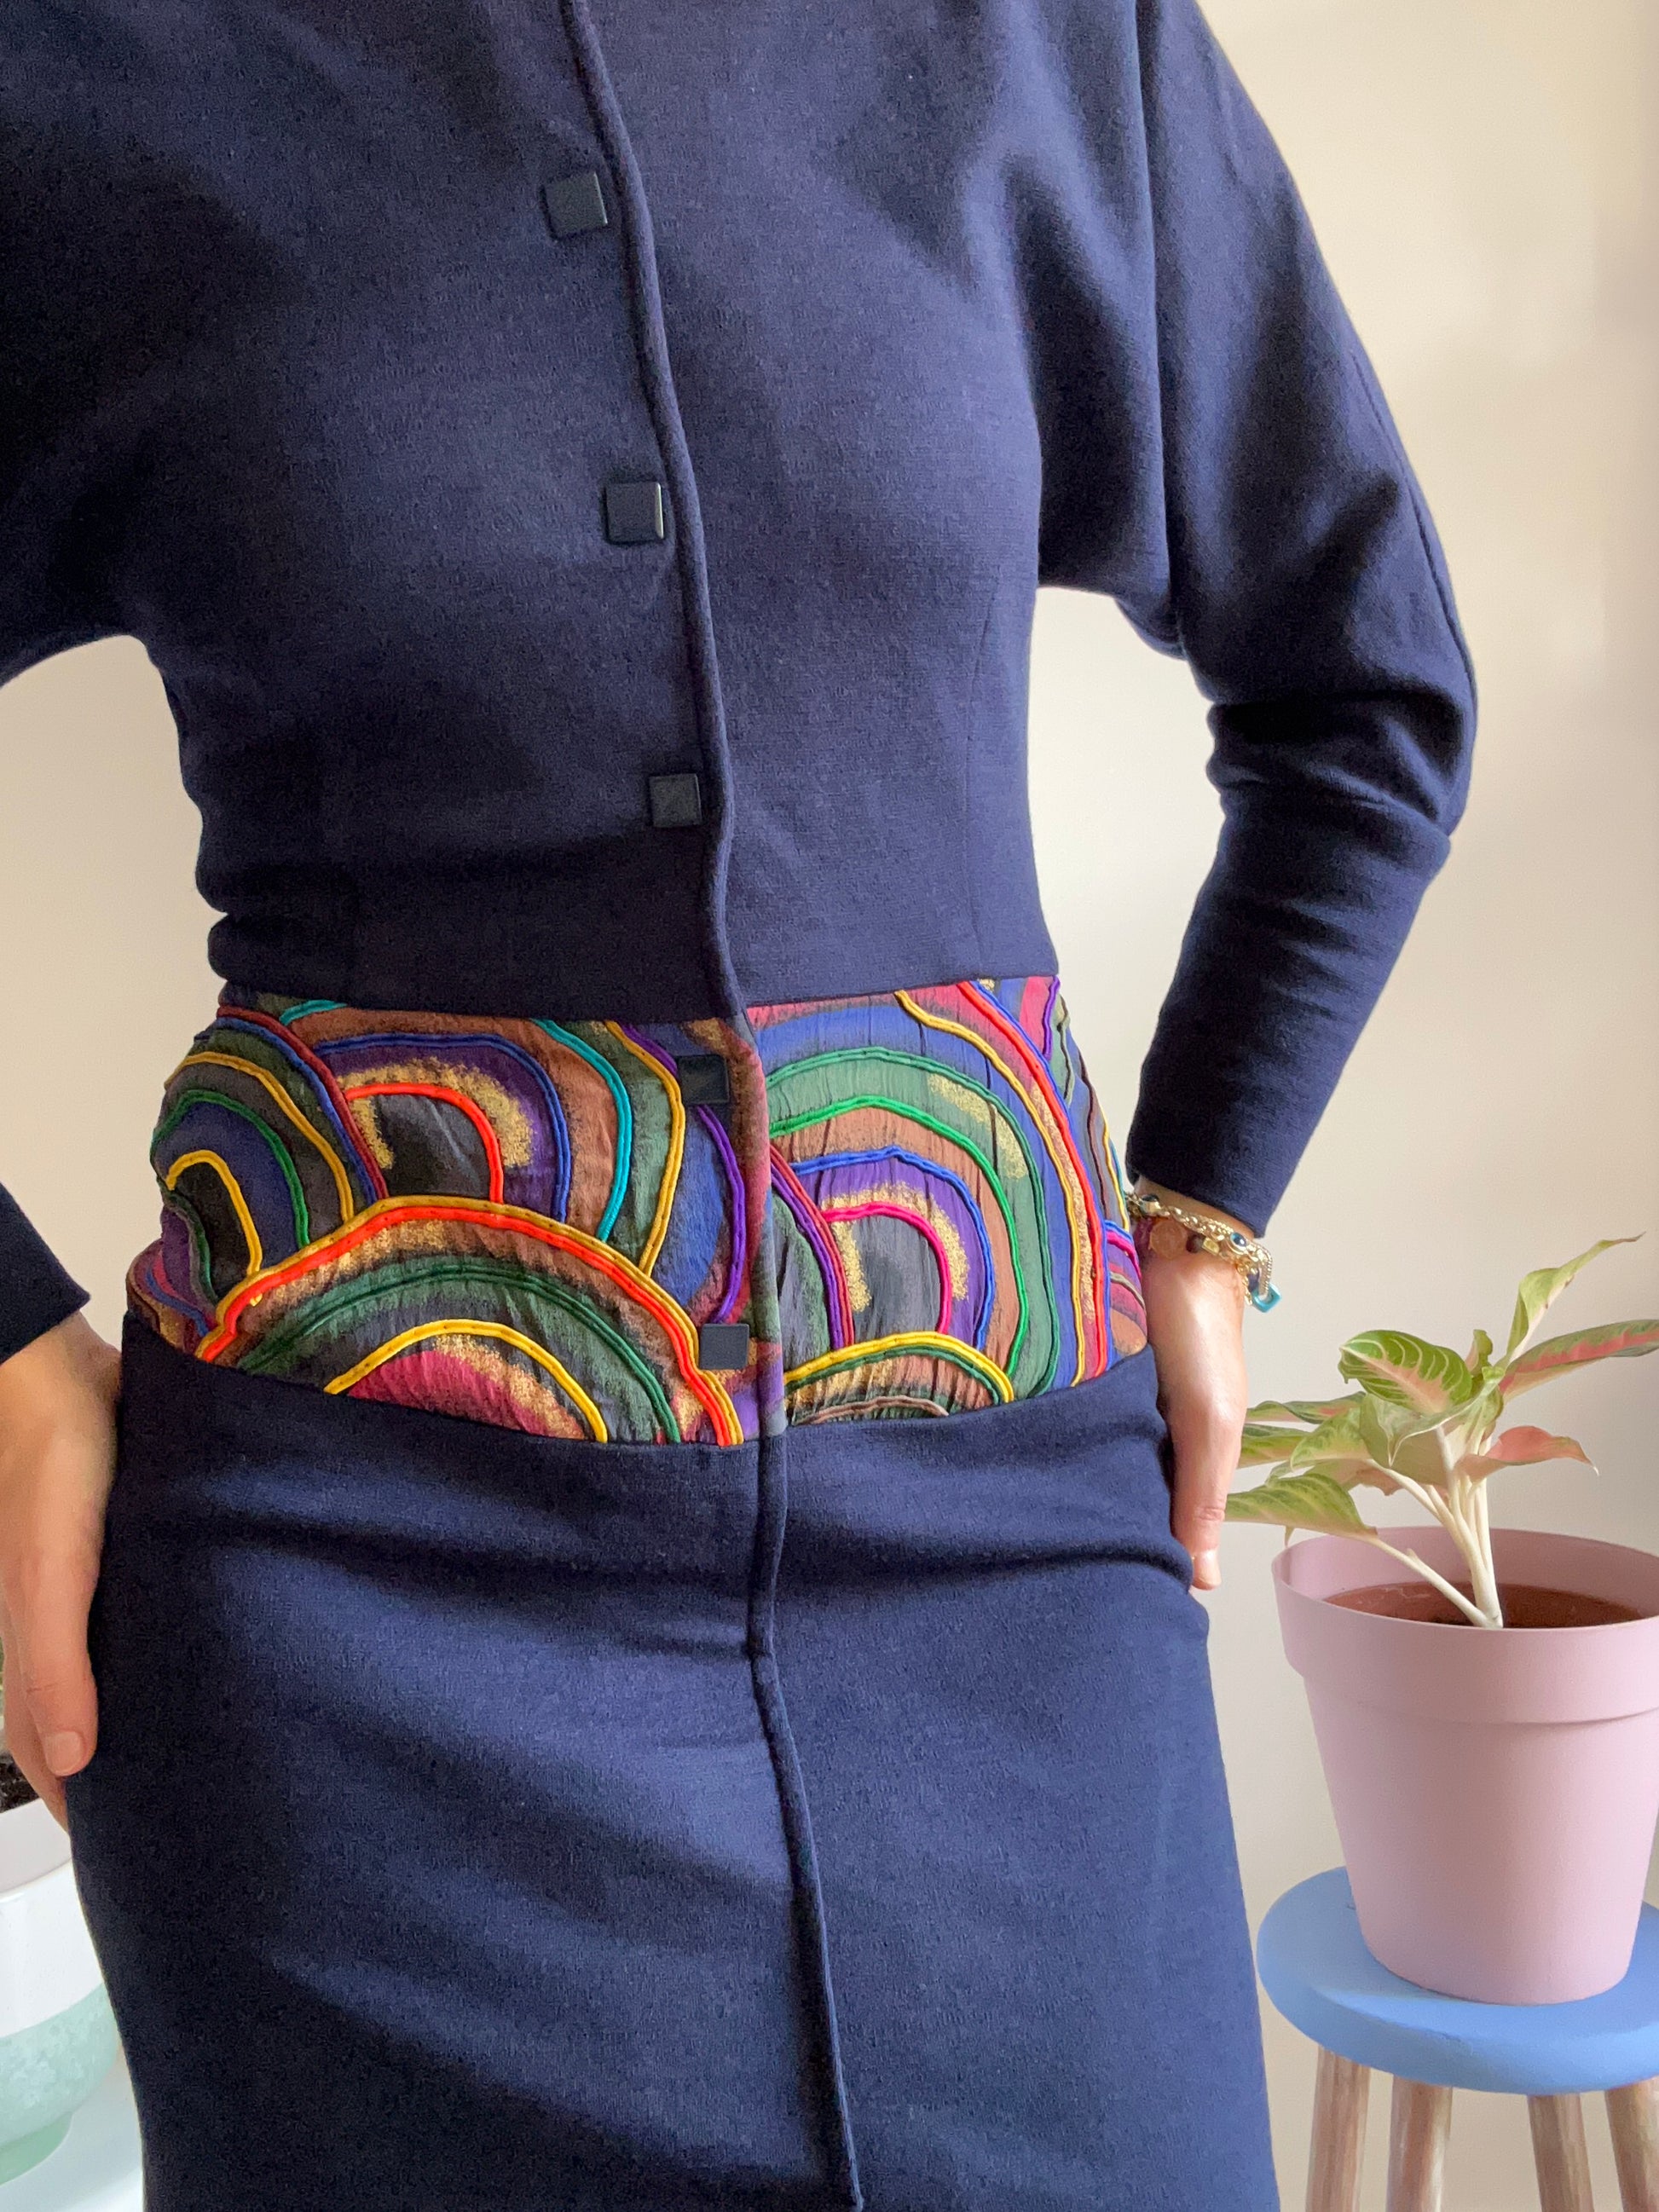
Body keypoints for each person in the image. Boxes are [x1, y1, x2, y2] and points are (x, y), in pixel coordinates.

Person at [0, 0, 1477, 2205]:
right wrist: (13, 1360)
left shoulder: (1040, 40)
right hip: (353, 1641)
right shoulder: (85, 69)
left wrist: (1205, 1210)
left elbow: (1368, 683)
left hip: (1019, 1573)